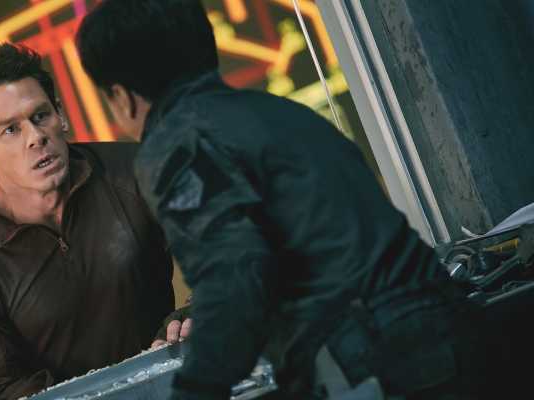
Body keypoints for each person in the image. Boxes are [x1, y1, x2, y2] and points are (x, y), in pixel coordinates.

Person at [76, 1, 497, 399]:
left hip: (379, 361)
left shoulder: (175, 146)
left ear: (122, 96)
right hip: (453, 330)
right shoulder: (280, 114)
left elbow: (234, 283)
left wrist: (194, 391)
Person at [0, 43, 175, 399]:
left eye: (40, 116)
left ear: (60, 115)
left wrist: (195, 313)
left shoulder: (137, 172)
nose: (36, 137)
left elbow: (229, 248)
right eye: (10, 130)